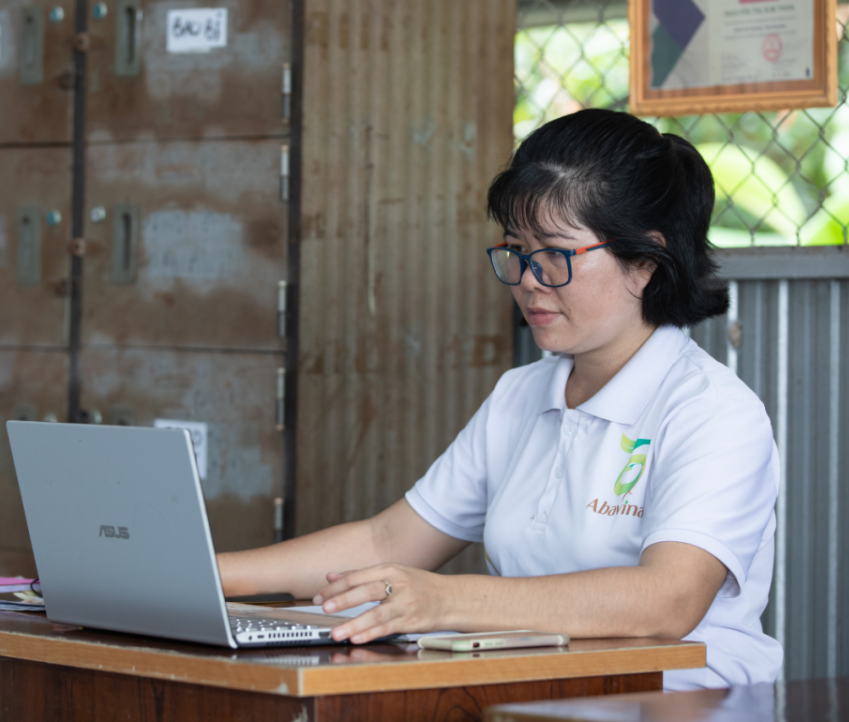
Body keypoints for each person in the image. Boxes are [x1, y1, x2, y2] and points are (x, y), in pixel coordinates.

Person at [217, 109, 783, 689]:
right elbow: (388, 541)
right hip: (539, 692)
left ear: (644, 261)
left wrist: (446, 600)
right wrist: (207, 577)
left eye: (556, 255)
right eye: (516, 250)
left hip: (677, 702)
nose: (528, 280)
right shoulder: (523, 393)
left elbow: (666, 601)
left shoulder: (712, 411)